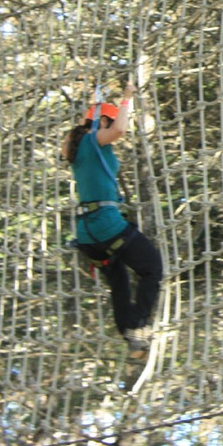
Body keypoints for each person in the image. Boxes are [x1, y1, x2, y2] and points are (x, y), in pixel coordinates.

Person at [62, 83, 163, 359]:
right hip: (107, 226)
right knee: (152, 268)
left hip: (88, 236)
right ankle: (138, 326)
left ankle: (131, 337)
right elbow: (119, 129)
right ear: (101, 122)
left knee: (119, 281)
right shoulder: (91, 141)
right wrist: (127, 99)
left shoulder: (78, 146)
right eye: (107, 120)